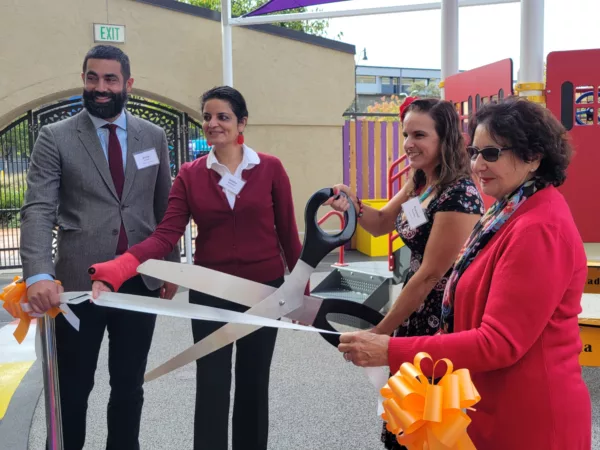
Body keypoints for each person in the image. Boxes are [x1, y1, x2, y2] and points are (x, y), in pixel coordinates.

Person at [338, 97, 592, 450]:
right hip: (491, 400)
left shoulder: (537, 227)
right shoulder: (506, 210)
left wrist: (390, 347)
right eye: (475, 152)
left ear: (534, 157)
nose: (478, 164)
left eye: (491, 154)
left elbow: (497, 342)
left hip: (527, 419)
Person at [86, 85, 307, 450]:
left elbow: (288, 235)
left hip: (264, 292)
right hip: (209, 292)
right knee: (212, 383)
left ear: (242, 123)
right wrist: (122, 265)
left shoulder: (270, 168)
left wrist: (301, 291)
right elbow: (165, 235)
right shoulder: (190, 174)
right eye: (207, 116)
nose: (213, 123)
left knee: (254, 382)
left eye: (223, 116)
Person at [20, 45, 180, 450]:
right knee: (73, 389)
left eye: (110, 79)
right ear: (83, 80)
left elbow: (165, 210)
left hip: (138, 281)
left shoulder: (154, 136)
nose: (100, 87)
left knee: (129, 387)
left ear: (128, 83)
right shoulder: (54, 137)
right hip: (77, 285)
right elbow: (38, 209)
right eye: (92, 78)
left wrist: (171, 268)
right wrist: (38, 273)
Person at [328, 97, 484, 449]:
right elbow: (382, 222)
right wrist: (353, 205)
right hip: (413, 308)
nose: (409, 144)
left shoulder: (460, 194)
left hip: (438, 317)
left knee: (431, 422)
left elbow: (430, 276)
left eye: (419, 135)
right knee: (406, 418)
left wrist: (380, 333)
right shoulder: (421, 182)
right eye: (405, 135)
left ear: (444, 139)